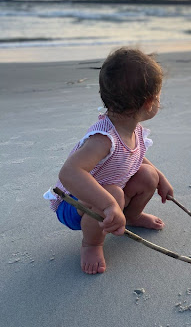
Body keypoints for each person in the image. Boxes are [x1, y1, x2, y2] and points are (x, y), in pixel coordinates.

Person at [43, 47, 173, 275]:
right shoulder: (103, 139)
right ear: (150, 102)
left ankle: (131, 216)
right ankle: (92, 244)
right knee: (114, 193)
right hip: (74, 204)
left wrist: (160, 179)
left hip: (108, 197)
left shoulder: (135, 131)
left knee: (148, 175)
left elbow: (136, 156)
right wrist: (109, 204)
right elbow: (69, 172)